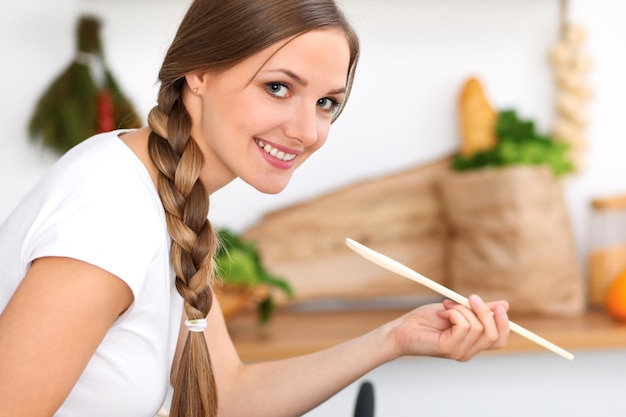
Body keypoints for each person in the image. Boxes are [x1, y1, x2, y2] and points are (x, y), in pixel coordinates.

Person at [0, 0, 510, 416]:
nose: (308, 131)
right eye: (278, 88)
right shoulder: (111, 214)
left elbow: (229, 396)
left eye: (326, 103)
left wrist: (393, 339)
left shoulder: (170, 197)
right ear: (197, 73)